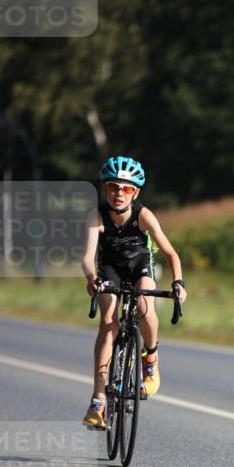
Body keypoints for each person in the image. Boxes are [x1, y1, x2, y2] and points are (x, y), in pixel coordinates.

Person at [81, 156, 186, 429]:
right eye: (114, 187)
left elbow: (171, 253)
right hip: (110, 268)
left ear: (135, 192)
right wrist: (92, 278)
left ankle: (150, 360)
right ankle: (98, 401)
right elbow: (87, 256)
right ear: (105, 189)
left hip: (140, 265)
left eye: (126, 188)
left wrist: (179, 283)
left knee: (145, 310)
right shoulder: (97, 216)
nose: (119, 193)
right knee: (107, 323)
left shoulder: (144, 215)